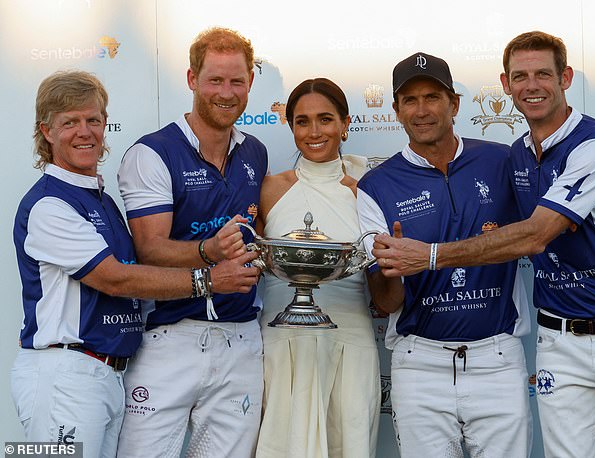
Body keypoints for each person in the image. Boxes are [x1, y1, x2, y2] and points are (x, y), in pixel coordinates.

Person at [373, 31, 595, 458]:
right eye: (520, 76)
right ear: (506, 83)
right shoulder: (515, 156)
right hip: (559, 340)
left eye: (543, 74)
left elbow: (535, 234)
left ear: (565, 77)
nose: (532, 85)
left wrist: (432, 255)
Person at [11, 70, 257, 458]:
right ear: (47, 131)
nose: (85, 132)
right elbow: (116, 279)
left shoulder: (101, 199)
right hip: (64, 374)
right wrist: (208, 280)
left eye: (93, 120)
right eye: (70, 123)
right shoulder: (48, 204)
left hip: (106, 374)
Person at [356, 52, 532, 458]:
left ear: (453, 103)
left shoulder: (502, 160)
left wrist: (432, 255)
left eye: (432, 97)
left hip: (498, 358)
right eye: (410, 100)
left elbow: (538, 235)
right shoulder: (376, 186)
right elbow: (386, 301)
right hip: (420, 364)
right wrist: (391, 267)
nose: (422, 110)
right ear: (396, 110)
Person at [116, 27, 268, 457]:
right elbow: (150, 249)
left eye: (237, 81)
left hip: (241, 338)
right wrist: (208, 253)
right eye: (215, 80)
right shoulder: (152, 153)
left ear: (250, 84)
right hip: (171, 337)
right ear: (191, 80)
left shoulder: (254, 151)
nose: (226, 91)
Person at [254, 78, 380, 458]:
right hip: (282, 340)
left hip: (350, 338)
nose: (314, 132)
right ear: (290, 126)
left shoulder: (366, 193)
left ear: (345, 124)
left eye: (325, 119)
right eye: (302, 121)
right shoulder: (269, 189)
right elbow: (255, 258)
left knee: (349, 442)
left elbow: (382, 277)